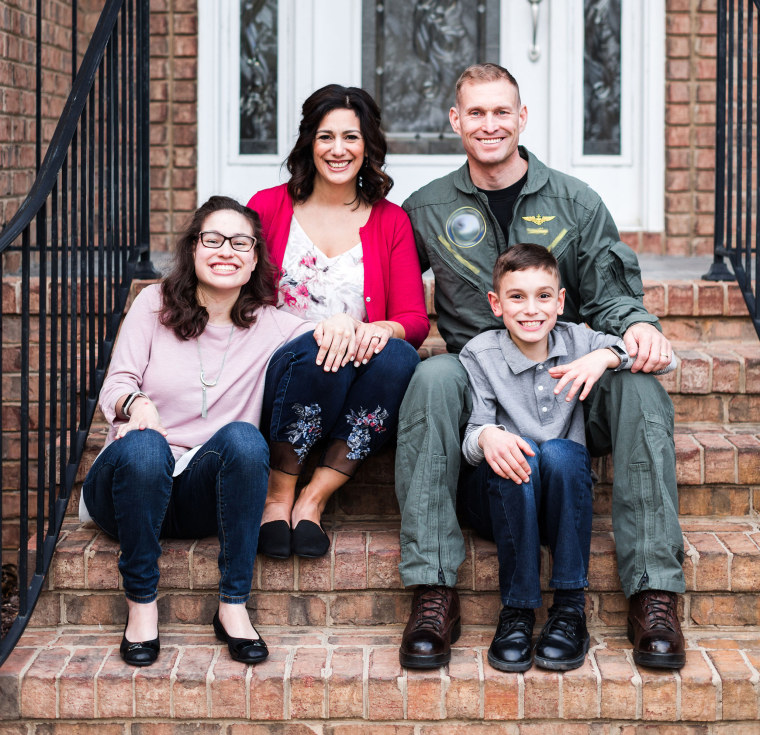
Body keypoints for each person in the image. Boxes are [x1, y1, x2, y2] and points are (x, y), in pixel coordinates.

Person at [395, 62, 686, 671]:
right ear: (455, 121)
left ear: (522, 118)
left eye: (502, 111)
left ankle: (653, 590)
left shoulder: (575, 202)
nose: (490, 123)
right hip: (482, 386)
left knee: (641, 393)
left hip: (567, 382)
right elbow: (388, 288)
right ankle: (433, 588)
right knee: (430, 375)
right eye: (476, 112)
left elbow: (611, 294)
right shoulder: (426, 208)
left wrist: (632, 329)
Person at [80, 196, 316, 667]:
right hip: (126, 485)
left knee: (246, 440)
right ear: (193, 250)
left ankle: (232, 608)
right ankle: (142, 608)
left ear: (253, 261)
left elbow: (334, 335)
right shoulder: (154, 304)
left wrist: (360, 326)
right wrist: (137, 403)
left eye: (240, 242)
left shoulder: (274, 326)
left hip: (201, 497)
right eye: (212, 239)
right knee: (148, 447)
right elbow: (118, 384)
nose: (225, 250)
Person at [460, 243, 676, 672]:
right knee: (514, 450)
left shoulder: (579, 339)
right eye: (516, 297)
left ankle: (569, 610)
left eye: (543, 296)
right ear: (496, 304)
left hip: (564, 500)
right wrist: (487, 437)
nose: (530, 309)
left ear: (560, 301)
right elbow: (470, 437)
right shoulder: (480, 353)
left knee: (560, 453)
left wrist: (606, 355)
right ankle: (518, 611)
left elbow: (667, 361)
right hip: (506, 500)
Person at [247, 84, 427, 560]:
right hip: (282, 369)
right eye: (326, 136)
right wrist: (318, 330)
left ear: (368, 145)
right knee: (317, 352)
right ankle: (277, 494)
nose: (338, 149)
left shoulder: (390, 221)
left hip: (356, 371)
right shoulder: (268, 207)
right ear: (310, 141)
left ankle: (313, 498)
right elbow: (238, 299)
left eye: (351, 136)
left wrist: (377, 328)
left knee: (398, 359)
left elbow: (412, 317)